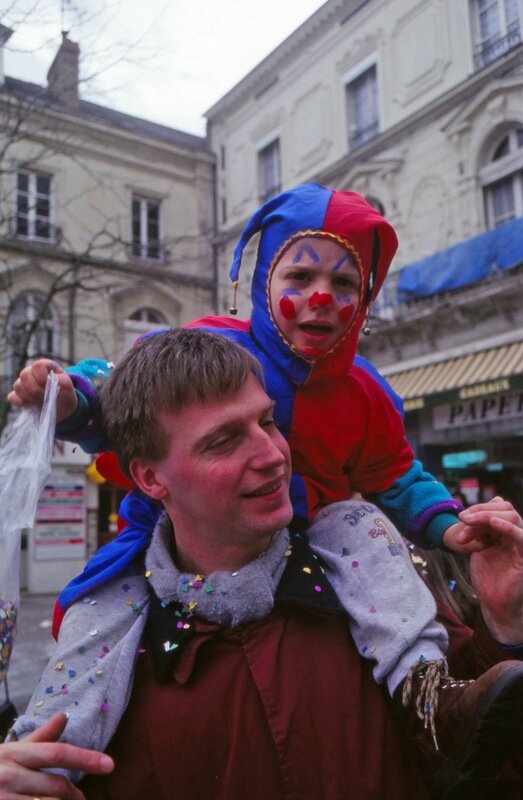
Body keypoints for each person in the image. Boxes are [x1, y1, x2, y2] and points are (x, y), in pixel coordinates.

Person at [5, 185, 492, 723]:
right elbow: (128, 397)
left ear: (366, 301)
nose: (322, 298)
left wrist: (451, 527)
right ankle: (48, 751)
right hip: (172, 541)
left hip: (313, 541)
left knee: (361, 525)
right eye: (301, 277)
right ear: (264, 283)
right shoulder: (212, 347)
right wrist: (72, 398)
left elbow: (396, 474)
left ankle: (427, 692)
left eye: (345, 282)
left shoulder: (366, 393)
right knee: (98, 622)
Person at [2, 329, 523, 800]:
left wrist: (504, 624)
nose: (274, 454)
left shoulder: (378, 577)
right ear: (149, 479)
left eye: (267, 420)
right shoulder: (106, 652)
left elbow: (484, 757)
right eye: (224, 440)